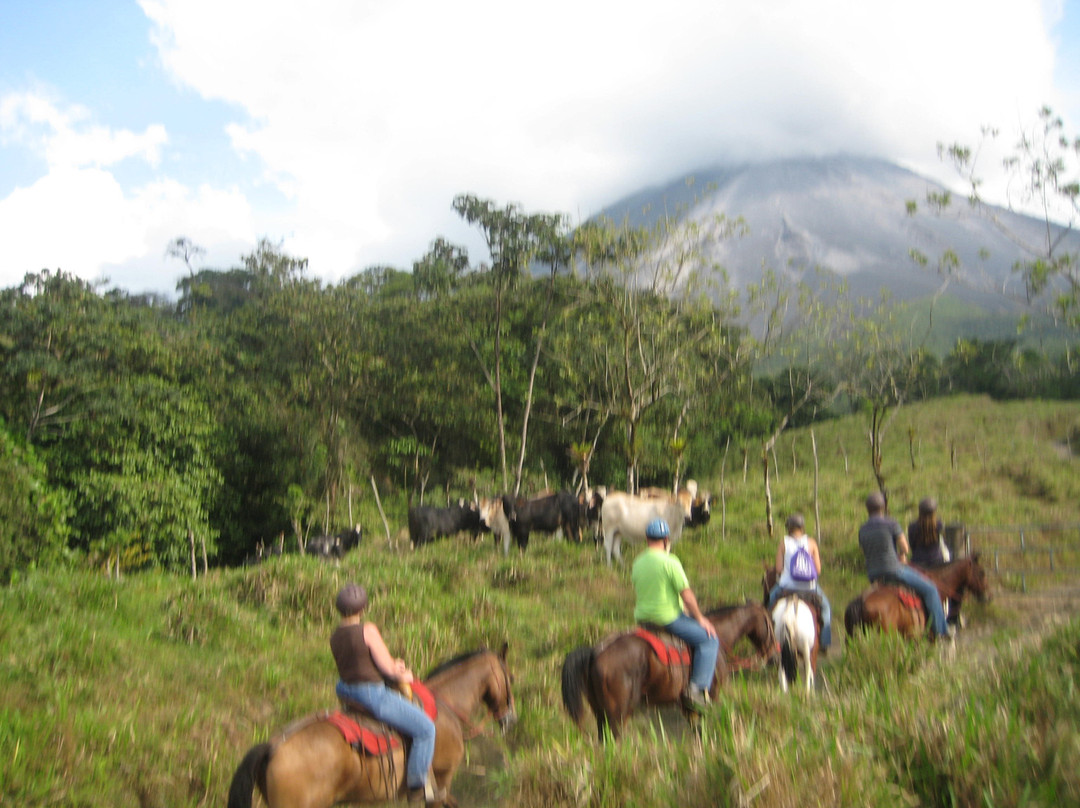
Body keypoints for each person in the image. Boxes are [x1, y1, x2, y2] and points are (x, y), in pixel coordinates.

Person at [329, 583, 438, 805]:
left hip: (346, 691)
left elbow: (359, 662)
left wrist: (389, 666)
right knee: (426, 729)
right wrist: (402, 671)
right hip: (370, 695)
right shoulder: (367, 630)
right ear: (363, 608)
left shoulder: (335, 635)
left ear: (339, 608)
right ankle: (417, 786)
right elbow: (388, 669)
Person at [631, 517, 720, 710]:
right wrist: (700, 618)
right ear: (666, 540)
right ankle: (696, 689)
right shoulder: (670, 561)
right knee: (709, 640)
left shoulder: (637, 562)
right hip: (667, 619)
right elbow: (687, 596)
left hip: (643, 619)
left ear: (647, 539)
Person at [858, 492, 950, 640]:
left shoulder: (862, 529)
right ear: (883, 507)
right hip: (894, 570)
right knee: (931, 589)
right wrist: (901, 555)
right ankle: (941, 632)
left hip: (873, 574)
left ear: (867, 509)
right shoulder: (891, 523)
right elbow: (905, 548)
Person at [766, 513, 833, 652]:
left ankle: (769, 641)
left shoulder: (783, 542)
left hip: (787, 587)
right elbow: (818, 570)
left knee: (768, 605)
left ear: (788, 528)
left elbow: (778, 569)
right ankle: (825, 643)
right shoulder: (812, 543)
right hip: (809, 588)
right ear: (802, 527)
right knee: (826, 608)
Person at [908, 497, 949, 567]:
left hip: (918, 561)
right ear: (934, 512)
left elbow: (912, 545)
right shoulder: (939, 525)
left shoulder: (912, 526)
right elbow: (945, 542)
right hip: (937, 560)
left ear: (920, 511)